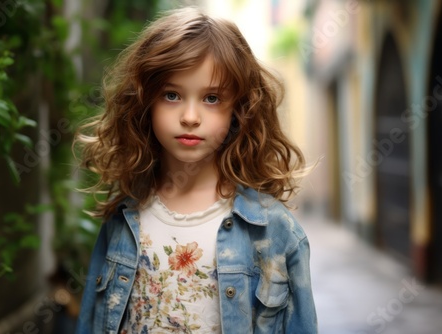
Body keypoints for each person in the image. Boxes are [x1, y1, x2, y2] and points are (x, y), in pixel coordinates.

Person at [74, 7, 317, 334]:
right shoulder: (124, 222)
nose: (190, 116)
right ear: (146, 102)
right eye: (172, 95)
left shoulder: (276, 231)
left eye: (212, 98)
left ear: (239, 110)